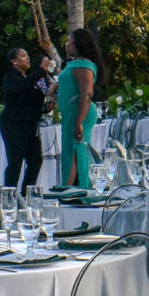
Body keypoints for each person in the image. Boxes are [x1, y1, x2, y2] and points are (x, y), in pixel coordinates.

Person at [57, 28, 105, 188]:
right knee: (71, 149)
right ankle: (71, 187)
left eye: (69, 41)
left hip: (78, 112)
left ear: (77, 44)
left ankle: (73, 189)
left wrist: (79, 122)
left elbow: (86, 93)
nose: (66, 44)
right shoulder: (76, 64)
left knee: (74, 150)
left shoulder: (84, 65)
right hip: (72, 112)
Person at [0, 45, 48, 190]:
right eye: (23, 56)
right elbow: (20, 89)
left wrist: (45, 107)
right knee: (15, 162)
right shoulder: (11, 77)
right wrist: (40, 71)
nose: (27, 58)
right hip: (14, 125)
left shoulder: (29, 78)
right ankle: (10, 194)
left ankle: (27, 192)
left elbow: (32, 100)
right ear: (14, 61)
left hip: (30, 125)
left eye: (27, 56)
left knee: (35, 161)